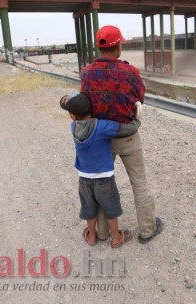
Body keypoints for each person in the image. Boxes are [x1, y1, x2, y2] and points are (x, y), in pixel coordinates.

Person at [80, 25, 163, 243]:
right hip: (127, 136)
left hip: (100, 139)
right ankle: (147, 230)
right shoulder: (131, 73)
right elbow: (140, 99)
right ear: (118, 46)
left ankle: (103, 232)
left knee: (101, 183)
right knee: (139, 183)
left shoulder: (87, 73)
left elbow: (83, 103)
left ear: (99, 47)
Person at [60, 91, 140, 248]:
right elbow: (125, 130)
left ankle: (91, 236)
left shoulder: (73, 126)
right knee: (111, 208)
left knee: (89, 208)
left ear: (73, 116)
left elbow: (66, 105)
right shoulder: (102, 127)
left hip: (84, 178)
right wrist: (136, 121)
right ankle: (116, 237)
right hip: (104, 178)